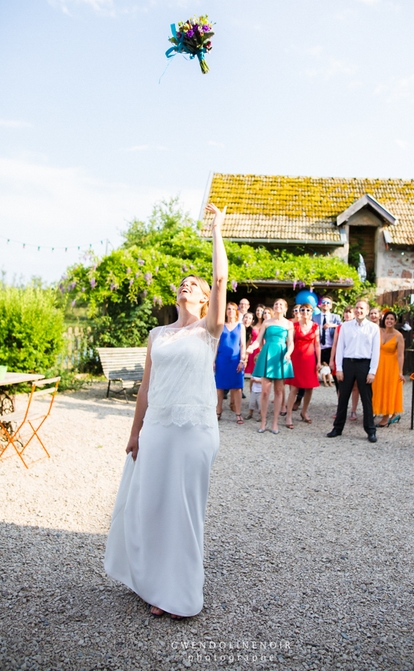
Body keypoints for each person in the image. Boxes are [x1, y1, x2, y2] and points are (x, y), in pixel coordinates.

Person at [105, 202, 228, 619]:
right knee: (151, 505)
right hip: (156, 427)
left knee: (184, 510)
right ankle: (152, 584)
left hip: (194, 429)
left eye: (193, 284)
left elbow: (221, 275)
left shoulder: (209, 329)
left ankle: (181, 593)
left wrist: (216, 230)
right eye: (181, 282)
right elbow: (145, 388)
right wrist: (134, 431)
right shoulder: (158, 334)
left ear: (206, 298)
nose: (186, 286)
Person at [327, 299, 381, 443]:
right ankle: (337, 428)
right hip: (348, 363)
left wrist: (372, 371)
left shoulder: (373, 328)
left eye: (362, 308)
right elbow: (340, 348)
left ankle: (370, 430)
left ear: (367, 311)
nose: (359, 311)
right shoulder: (345, 326)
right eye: (357, 308)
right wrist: (339, 368)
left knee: (366, 399)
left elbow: (376, 351)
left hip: (364, 364)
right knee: (343, 397)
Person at [247, 299, 294, 434]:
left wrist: (289, 353)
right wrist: (251, 348)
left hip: (281, 355)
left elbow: (290, 343)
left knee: (279, 391)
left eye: (280, 304)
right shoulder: (267, 322)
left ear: (285, 308)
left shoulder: (288, 324)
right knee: (265, 391)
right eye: (276, 304)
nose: (277, 306)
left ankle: (275, 422)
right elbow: (258, 340)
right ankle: (263, 421)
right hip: (267, 353)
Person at [284, 302, 321, 427]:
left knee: (309, 388)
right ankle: (288, 415)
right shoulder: (294, 325)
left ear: (311, 313)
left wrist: (319, 361)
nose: (305, 312)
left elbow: (317, 344)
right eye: (303, 310)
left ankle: (304, 412)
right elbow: (290, 342)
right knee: (294, 387)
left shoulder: (315, 326)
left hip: (310, 358)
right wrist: (288, 355)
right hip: (297, 358)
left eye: (308, 310)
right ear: (300, 312)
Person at [214, 302, 246, 424]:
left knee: (237, 388)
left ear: (236, 311)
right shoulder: (220, 325)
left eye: (233, 309)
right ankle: (218, 411)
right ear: (226, 311)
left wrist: (242, 360)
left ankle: (238, 413)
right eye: (228, 309)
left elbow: (242, 344)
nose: (231, 311)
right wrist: (213, 360)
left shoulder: (240, 326)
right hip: (222, 359)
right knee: (219, 387)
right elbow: (216, 344)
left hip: (235, 360)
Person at [373, 310, 405, 427]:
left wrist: (400, 372)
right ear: (384, 320)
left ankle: (386, 416)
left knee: (388, 390)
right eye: (387, 319)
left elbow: (401, 355)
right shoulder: (378, 331)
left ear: (395, 321)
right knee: (378, 388)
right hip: (379, 365)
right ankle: (379, 411)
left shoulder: (398, 336)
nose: (389, 321)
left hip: (392, 366)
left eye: (392, 319)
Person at [330, 306, 360, 420]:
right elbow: (335, 344)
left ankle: (353, 410)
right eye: (346, 312)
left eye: (350, 312)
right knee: (341, 386)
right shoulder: (340, 327)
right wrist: (332, 360)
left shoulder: (358, 327)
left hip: (353, 359)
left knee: (355, 387)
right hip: (341, 358)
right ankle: (341, 409)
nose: (347, 314)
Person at [315, 296, 342, 368]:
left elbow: (343, 327)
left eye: (328, 303)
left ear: (331, 306)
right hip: (318, 350)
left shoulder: (336, 317)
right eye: (323, 302)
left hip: (331, 350)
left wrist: (332, 325)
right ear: (320, 305)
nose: (325, 304)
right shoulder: (314, 317)